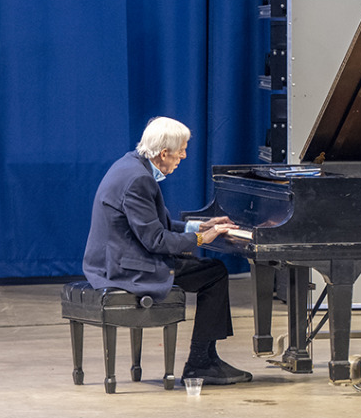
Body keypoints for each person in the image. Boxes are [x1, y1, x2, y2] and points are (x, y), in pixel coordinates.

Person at [82, 116, 252, 385]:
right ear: (164, 153)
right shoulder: (139, 180)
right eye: (181, 151)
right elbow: (156, 240)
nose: (183, 156)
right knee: (215, 273)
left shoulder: (129, 164)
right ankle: (201, 362)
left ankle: (206, 360)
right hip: (124, 267)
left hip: (115, 258)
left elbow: (150, 224)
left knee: (211, 270)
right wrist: (201, 238)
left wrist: (199, 226)